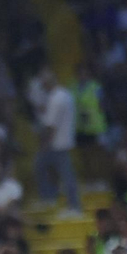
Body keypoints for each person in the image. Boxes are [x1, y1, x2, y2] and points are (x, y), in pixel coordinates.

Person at [35, 65, 81, 216]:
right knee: (49, 168)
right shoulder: (64, 94)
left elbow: (51, 127)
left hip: (56, 142)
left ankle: (73, 206)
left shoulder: (56, 99)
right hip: (62, 141)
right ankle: (52, 197)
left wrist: (44, 144)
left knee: (64, 174)